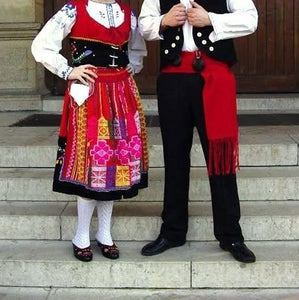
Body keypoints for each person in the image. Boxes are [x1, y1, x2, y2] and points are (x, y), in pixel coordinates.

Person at [139, 0, 258, 263]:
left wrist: (212, 19)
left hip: (215, 77)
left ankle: (231, 235)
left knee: (221, 158)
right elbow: (143, 26)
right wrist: (163, 21)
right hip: (172, 79)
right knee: (174, 156)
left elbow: (251, 19)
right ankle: (172, 231)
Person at [31, 0, 148, 262]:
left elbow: (138, 48)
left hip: (121, 93)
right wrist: (69, 70)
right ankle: (81, 235)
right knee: (92, 162)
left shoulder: (126, 14)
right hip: (90, 95)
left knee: (115, 164)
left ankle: (104, 233)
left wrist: (133, 65)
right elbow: (41, 45)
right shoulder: (74, 9)